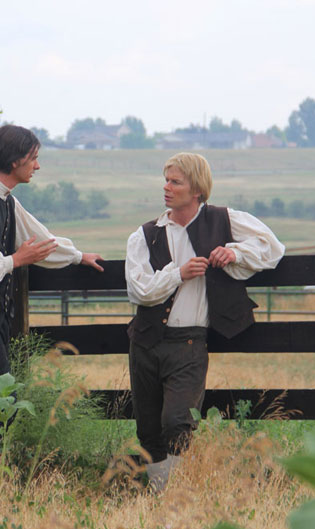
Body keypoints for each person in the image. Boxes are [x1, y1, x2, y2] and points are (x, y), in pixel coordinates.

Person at [0, 125, 104, 508]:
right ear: (15, 161)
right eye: (34, 158)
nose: (38, 166)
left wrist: (78, 256)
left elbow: (39, 238)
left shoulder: (4, 199)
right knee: (1, 400)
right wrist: (16, 260)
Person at [124, 152, 284, 493]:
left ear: (196, 189)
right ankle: (158, 498)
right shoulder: (144, 235)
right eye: (166, 180)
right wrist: (177, 275)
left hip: (190, 342)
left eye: (175, 181)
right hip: (146, 342)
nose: (166, 188)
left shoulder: (224, 220)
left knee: (177, 422)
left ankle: (174, 493)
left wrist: (235, 253)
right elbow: (139, 291)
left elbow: (272, 248)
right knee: (149, 428)